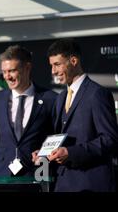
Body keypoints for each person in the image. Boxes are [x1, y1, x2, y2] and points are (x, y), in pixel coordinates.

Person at [40, 38, 118, 191]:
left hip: (91, 183)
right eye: (51, 66)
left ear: (73, 60)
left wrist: (71, 152)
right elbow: (59, 137)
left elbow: (110, 140)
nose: (53, 71)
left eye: (57, 64)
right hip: (63, 184)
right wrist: (45, 152)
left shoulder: (97, 94)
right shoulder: (60, 97)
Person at [0, 45, 57, 177]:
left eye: (12, 71)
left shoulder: (50, 98)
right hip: (3, 176)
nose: (7, 76)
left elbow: (55, 135)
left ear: (27, 68)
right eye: (4, 72)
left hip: (36, 174)